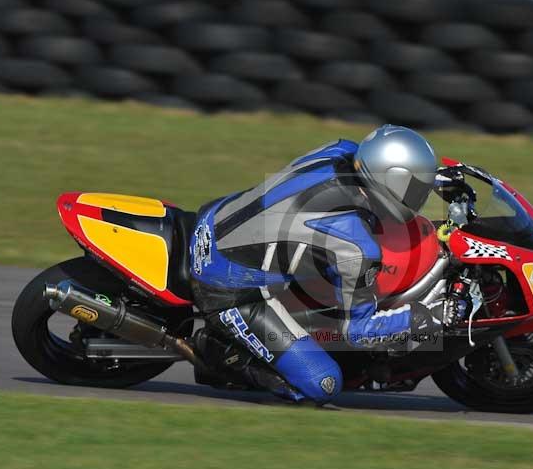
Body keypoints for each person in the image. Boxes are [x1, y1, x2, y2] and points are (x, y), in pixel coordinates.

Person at [189, 125, 463, 405]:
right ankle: (219, 353)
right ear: (392, 181)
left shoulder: (339, 149)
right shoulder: (354, 247)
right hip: (227, 286)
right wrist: (426, 318)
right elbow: (357, 333)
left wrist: (437, 181)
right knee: (323, 384)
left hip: (216, 216)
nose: (421, 198)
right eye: (418, 188)